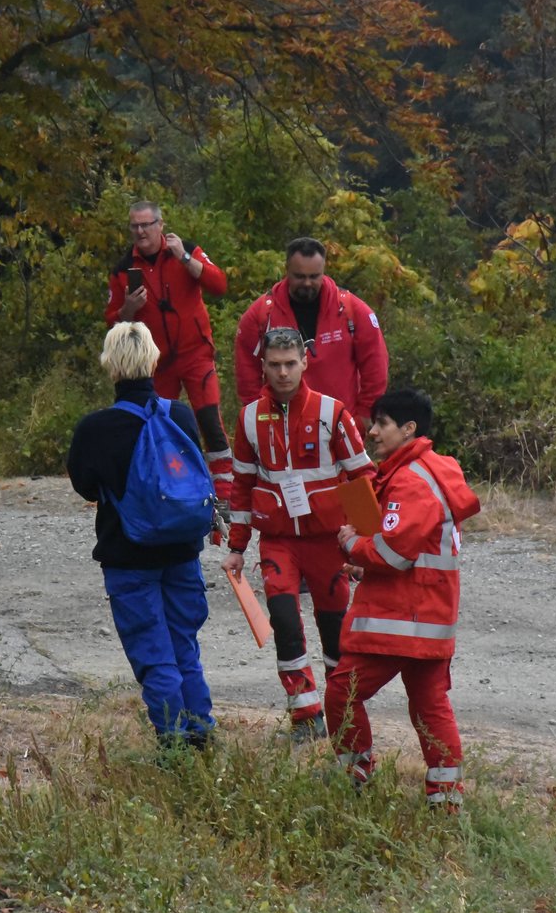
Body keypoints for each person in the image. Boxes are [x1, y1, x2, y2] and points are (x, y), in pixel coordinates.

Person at [325, 388, 480, 807]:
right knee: (430, 706)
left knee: (343, 691)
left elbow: (393, 553)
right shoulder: (428, 473)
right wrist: (365, 558)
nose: (372, 432)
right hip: (427, 618)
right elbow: (407, 548)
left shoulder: (412, 481)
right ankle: (446, 800)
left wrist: (354, 546)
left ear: (408, 429)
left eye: (382, 423)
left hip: (402, 619)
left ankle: (353, 776)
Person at [68, 321, 215, 750]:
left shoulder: (95, 429)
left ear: (109, 366)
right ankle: (201, 731)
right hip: (183, 551)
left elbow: (85, 487)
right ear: (154, 360)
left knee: (153, 652)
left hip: (128, 554)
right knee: (183, 644)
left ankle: (173, 742)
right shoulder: (181, 415)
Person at [221, 326, 374, 741]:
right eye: (275, 365)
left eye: (291, 364)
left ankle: (342, 710)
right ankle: (305, 717)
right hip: (278, 541)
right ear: (264, 366)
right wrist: (237, 547)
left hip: (328, 540)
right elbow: (242, 486)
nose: (284, 373)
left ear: (306, 361)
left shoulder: (332, 412)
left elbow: (363, 477)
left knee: (334, 629)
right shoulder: (249, 418)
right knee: (285, 622)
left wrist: (368, 546)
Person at [103, 200, 234, 507]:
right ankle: (169, 490)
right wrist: (128, 310)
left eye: (146, 225)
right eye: (134, 226)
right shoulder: (123, 270)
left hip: (195, 354)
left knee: (209, 421)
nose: (140, 231)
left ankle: (226, 497)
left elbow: (219, 284)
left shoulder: (185, 250)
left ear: (160, 225)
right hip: (155, 363)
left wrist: (186, 258)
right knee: (159, 425)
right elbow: (112, 320)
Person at [233, 237, 389, 429]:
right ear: (287, 271)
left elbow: (375, 364)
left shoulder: (352, 311)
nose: (307, 283)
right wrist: (258, 417)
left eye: (314, 276)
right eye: (299, 276)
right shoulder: (261, 315)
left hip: (340, 426)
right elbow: (247, 371)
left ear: (324, 271)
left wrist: (365, 415)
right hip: (283, 426)